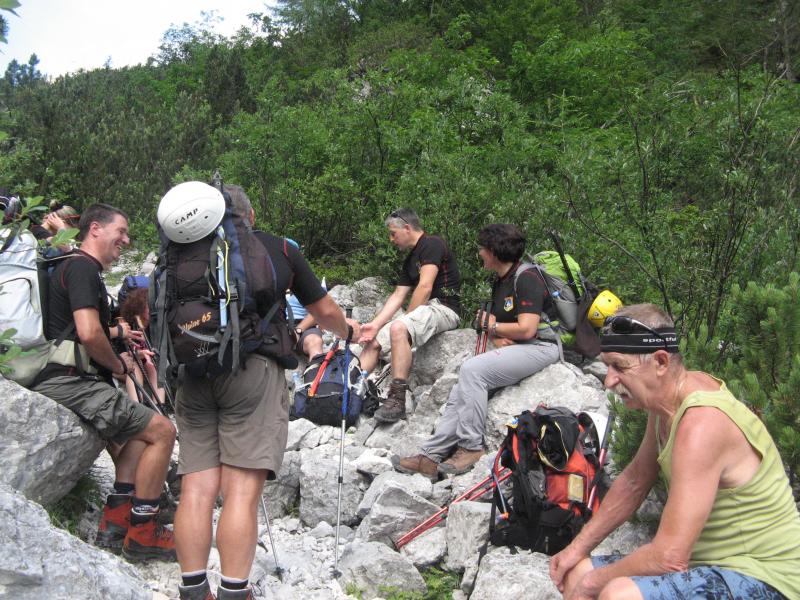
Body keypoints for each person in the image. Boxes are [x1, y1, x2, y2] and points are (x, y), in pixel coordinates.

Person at [173, 184, 359, 600]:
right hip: (253, 373)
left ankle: (193, 589)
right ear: (250, 215)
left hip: (192, 374)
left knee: (196, 489)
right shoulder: (278, 248)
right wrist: (348, 331)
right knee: (241, 491)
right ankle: (234, 591)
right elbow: (324, 310)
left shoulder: (183, 252)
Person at [549, 303, 800, 600]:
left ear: (660, 361)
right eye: (607, 367)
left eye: (620, 366)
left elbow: (669, 557)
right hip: (707, 564)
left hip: (767, 576)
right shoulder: (667, 403)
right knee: (577, 572)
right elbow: (635, 481)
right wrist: (576, 549)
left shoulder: (701, 424)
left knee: (618, 594)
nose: (609, 381)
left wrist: (593, 584)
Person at [31, 203, 177, 561]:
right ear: (95, 228)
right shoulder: (81, 267)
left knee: (139, 433)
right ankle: (143, 530)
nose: (126, 240)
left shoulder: (75, 266)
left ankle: (116, 521)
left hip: (66, 377)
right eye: (121, 231)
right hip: (69, 381)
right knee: (163, 431)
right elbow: (88, 332)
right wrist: (118, 366)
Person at [392, 224, 560, 479]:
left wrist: (493, 327)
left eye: (482, 248)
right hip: (522, 346)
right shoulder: (502, 280)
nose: (479, 253)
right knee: (461, 389)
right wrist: (496, 333)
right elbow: (499, 322)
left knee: (472, 370)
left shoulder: (526, 278)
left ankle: (472, 447)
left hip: (543, 347)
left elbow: (527, 329)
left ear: (494, 251)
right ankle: (430, 456)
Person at [357, 207, 461, 423]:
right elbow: (398, 295)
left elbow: (424, 287)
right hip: (425, 310)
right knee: (373, 341)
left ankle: (397, 400)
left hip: (443, 308)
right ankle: (352, 389)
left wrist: (405, 321)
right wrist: (375, 325)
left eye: (393, 233)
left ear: (407, 228)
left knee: (399, 328)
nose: (391, 239)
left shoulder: (432, 244)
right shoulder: (410, 259)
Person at [117, 287, 166, 407]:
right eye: (148, 309)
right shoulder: (127, 327)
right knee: (135, 365)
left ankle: (160, 406)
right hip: (123, 367)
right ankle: (138, 406)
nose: (150, 312)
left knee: (152, 365)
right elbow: (122, 355)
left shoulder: (156, 325)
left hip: (148, 364)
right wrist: (140, 354)